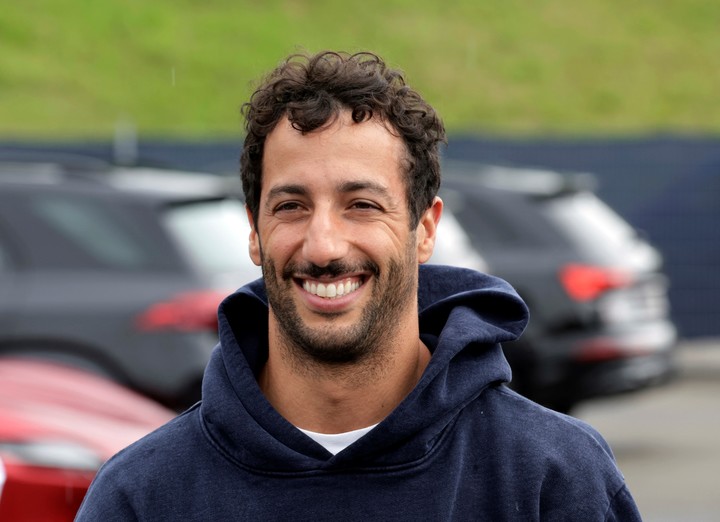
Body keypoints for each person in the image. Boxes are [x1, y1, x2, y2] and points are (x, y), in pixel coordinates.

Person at [76, 50, 642, 521]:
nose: (323, 247)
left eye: (362, 205)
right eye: (292, 206)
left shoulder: (553, 478)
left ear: (424, 230)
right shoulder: (141, 498)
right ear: (254, 231)